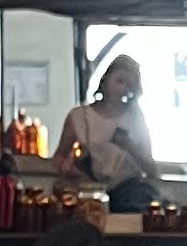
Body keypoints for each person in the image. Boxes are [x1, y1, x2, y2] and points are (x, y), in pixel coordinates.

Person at [55, 55, 155, 195]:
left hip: (128, 190)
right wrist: (68, 168)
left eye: (129, 86)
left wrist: (129, 145)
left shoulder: (135, 118)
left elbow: (151, 169)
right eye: (119, 81)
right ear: (106, 79)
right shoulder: (80, 117)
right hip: (87, 188)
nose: (122, 89)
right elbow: (60, 157)